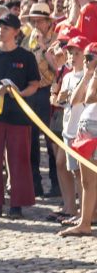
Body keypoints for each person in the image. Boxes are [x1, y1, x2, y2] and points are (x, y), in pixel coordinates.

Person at [0, 14, 41, 219]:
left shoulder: (26, 56)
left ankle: (17, 205)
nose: (0, 30)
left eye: (5, 27)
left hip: (19, 115)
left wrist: (20, 94)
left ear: (16, 32)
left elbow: (34, 84)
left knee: (19, 159)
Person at [23, 1, 63, 197]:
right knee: (30, 140)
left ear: (48, 22)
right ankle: (34, 183)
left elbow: (58, 67)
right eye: (33, 21)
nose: (36, 25)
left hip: (50, 92)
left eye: (40, 21)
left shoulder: (57, 39)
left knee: (51, 140)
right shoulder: (26, 39)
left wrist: (41, 47)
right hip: (32, 91)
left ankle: (56, 183)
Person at [52, 36, 91, 223]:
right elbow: (61, 99)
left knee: (83, 176)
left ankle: (85, 213)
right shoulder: (67, 76)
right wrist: (59, 97)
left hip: (82, 131)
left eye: (77, 53)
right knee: (72, 170)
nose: (72, 57)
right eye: (69, 53)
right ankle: (73, 208)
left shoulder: (90, 75)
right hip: (69, 127)